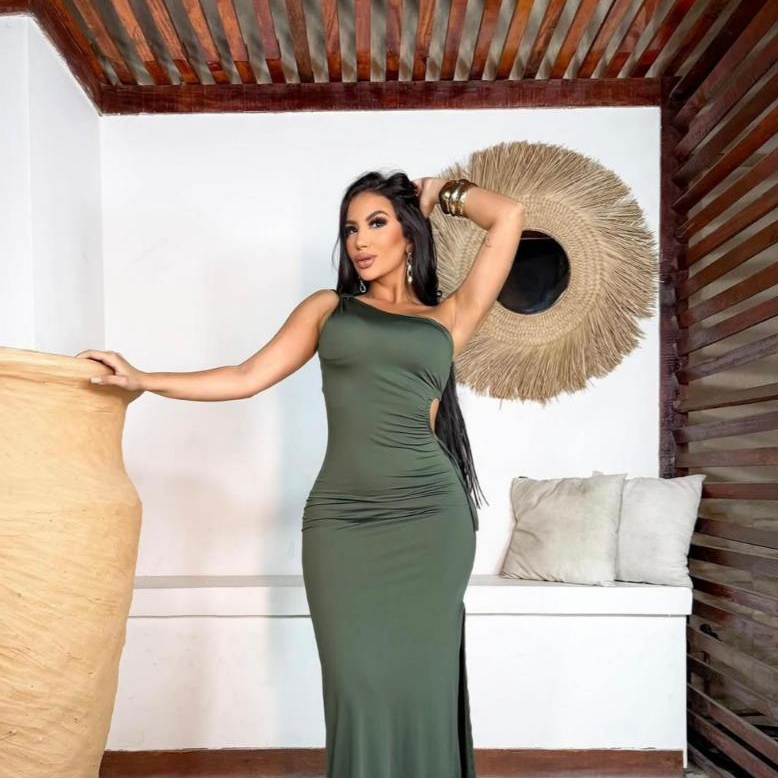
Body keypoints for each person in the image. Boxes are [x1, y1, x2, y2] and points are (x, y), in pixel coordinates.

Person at [76, 171, 525, 777]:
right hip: (343, 525)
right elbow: (245, 376)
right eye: (350, 228)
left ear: (410, 235)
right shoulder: (328, 310)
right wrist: (144, 378)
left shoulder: (448, 318)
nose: (359, 240)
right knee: (356, 685)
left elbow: (509, 215)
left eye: (376, 223)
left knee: (422, 684)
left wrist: (443, 192)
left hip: (430, 523)